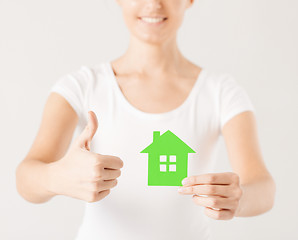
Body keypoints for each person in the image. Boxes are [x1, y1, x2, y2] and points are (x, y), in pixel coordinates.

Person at [15, 0, 276, 239]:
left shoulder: (221, 92)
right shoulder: (81, 86)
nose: (153, 4)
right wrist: (56, 177)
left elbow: (263, 188)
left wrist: (238, 198)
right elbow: (26, 179)